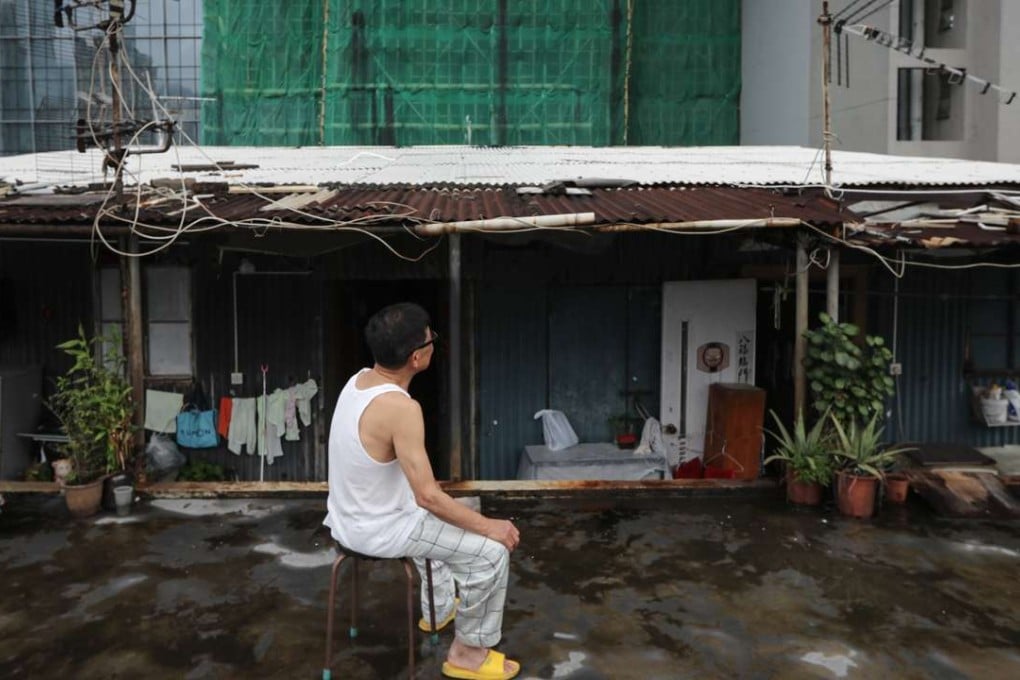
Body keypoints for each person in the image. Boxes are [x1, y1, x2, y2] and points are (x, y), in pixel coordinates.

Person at [323, 302, 521, 680]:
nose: (434, 343)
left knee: (462, 513)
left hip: (348, 517)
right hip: (382, 528)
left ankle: (439, 610)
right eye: (432, 338)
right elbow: (426, 496)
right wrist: (490, 526)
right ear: (417, 357)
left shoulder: (359, 380)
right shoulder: (402, 408)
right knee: (491, 552)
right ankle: (467, 652)